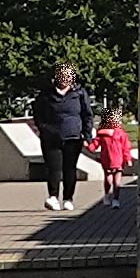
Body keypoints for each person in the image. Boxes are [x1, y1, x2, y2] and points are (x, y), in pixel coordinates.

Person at [34, 60, 89, 210]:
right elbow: (37, 113)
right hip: (51, 137)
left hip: (73, 138)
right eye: (61, 75)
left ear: (72, 77)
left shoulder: (79, 93)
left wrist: (87, 135)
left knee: (69, 169)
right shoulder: (46, 94)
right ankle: (53, 197)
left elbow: (86, 115)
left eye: (67, 75)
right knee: (53, 168)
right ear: (56, 75)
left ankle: (68, 198)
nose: (64, 78)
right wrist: (43, 129)